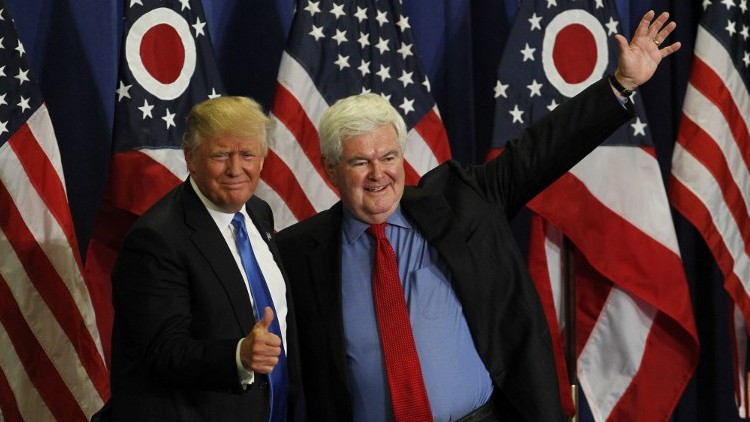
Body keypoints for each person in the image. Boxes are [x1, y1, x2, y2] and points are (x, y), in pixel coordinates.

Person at [275, 10, 680, 422]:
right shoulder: (296, 252)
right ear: (329, 169)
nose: (379, 174)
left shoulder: (460, 200)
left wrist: (620, 85)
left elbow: (539, 152)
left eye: (389, 157)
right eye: (361, 161)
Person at [108, 96, 304, 421]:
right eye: (220, 155)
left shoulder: (258, 212)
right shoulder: (156, 239)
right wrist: (238, 356)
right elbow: (161, 351)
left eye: (247, 155)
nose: (235, 168)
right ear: (191, 158)